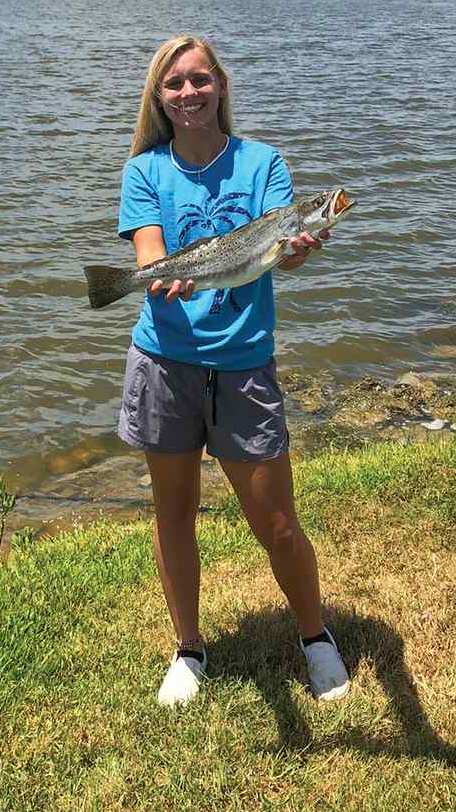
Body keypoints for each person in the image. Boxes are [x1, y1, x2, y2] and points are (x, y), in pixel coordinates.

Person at [116, 34, 350, 707]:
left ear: (221, 86)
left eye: (200, 79)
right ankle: (189, 647)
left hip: (244, 363)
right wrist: (162, 279)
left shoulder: (262, 163)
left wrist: (300, 248)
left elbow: (286, 255)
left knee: (276, 520)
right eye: (174, 83)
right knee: (174, 514)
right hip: (164, 363)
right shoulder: (144, 171)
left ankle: (314, 635)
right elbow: (151, 252)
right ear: (160, 98)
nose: (188, 93)